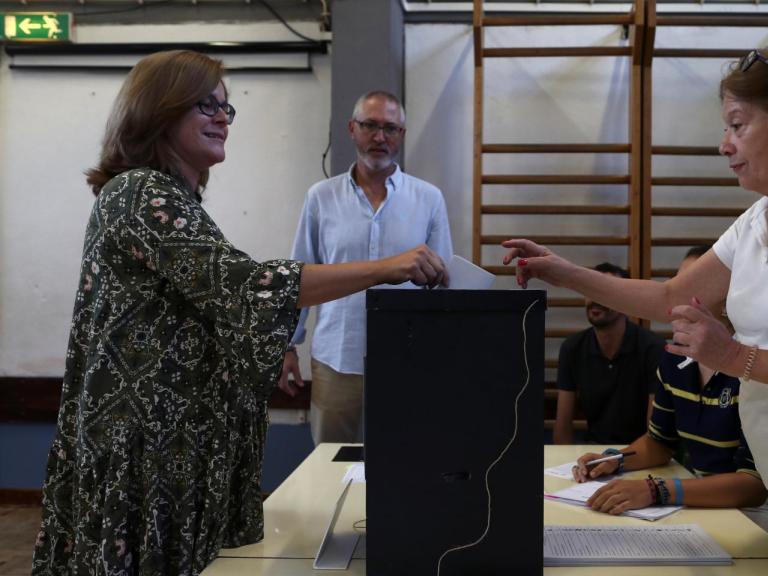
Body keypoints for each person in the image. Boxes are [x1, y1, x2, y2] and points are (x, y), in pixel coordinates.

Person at [503, 43, 768, 575]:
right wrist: (559, 270)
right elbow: (672, 297)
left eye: (738, 125)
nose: (724, 144)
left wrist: (734, 356)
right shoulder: (765, 216)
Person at [32, 50, 446, 575]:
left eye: (227, 109)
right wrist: (385, 268)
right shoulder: (140, 193)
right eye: (206, 105)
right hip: (144, 455)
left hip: (173, 450)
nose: (222, 119)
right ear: (159, 107)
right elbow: (248, 287)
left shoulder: (174, 200)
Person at [277, 90, 453, 445]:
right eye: (370, 125)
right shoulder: (320, 198)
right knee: (329, 466)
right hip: (337, 359)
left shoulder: (428, 198)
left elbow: (445, 285)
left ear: (401, 135)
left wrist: (442, 355)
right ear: (351, 129)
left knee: (406, 464)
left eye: (390, 128)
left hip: (409, 360)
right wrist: (287, 345)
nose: (379, 137)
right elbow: (299, 278)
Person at [572, 247, 768, 524]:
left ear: (728, 299)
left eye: (691, 285)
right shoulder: (675, 358)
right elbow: (659, 443)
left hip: (753, 517)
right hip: (695, 504)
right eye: (676, 284)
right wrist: (615, 459)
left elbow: (754, 486)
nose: (676, 298)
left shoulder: (753, 365)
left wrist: (657, 489)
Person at [554, 262, 663, 445]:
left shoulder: (653, 348)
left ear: (626, 302)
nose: (595, 299)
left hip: (642, 454)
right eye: (591, 290)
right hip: (592, 453)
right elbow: (562, 429)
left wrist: (619, 461)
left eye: (605, 292)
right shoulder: (572, 348)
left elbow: (655, 436)